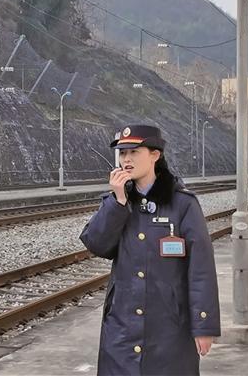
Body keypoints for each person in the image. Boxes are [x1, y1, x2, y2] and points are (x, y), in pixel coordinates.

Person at [80, 124, 220, 376]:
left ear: (155, 154)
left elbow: (201, 268)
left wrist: (204, 325)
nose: (127, 159)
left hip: (170, 326)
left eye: (134, 152)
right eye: (123, 153)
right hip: (122, 326)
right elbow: (97, 244)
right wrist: (118, 202)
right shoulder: (118, 202)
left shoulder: (182, 204)